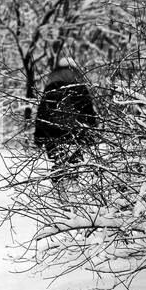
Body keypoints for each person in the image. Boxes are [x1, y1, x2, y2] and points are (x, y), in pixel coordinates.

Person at [33, 57, 97, 192]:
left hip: (53, 136)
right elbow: (88, 112)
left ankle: (61, 192)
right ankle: (73, 196)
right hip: (75, 135)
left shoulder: (50, 88)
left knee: (58, 162)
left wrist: (38, 137)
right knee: (74, 164)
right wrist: (92, 132)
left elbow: (42, 114)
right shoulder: (79, 87)